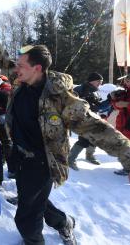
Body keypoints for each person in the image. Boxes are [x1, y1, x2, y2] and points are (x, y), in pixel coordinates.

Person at [7, 45, 130, 245]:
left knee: (26, 218)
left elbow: (96, 127)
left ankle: (33, 241)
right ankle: (64, 222)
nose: (14, 68)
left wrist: (127, 152)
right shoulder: (21, 81)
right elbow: (3, 59)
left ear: (37, 68)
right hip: (19, 156)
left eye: (20, 65)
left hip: (43, 162)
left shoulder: (61, 98)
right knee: (33, 199)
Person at [68, 72, 104, 170]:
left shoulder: (95, 91)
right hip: (81, 119)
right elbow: (72, 104)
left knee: (95, 137)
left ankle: (89, 155)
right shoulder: (79, 89)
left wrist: (109, 101)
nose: (100, 83)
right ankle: (70, 159)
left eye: (101, 82)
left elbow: (99, 106)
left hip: (93, 118)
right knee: (83, 140)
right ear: (91, 81)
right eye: (98, 81)